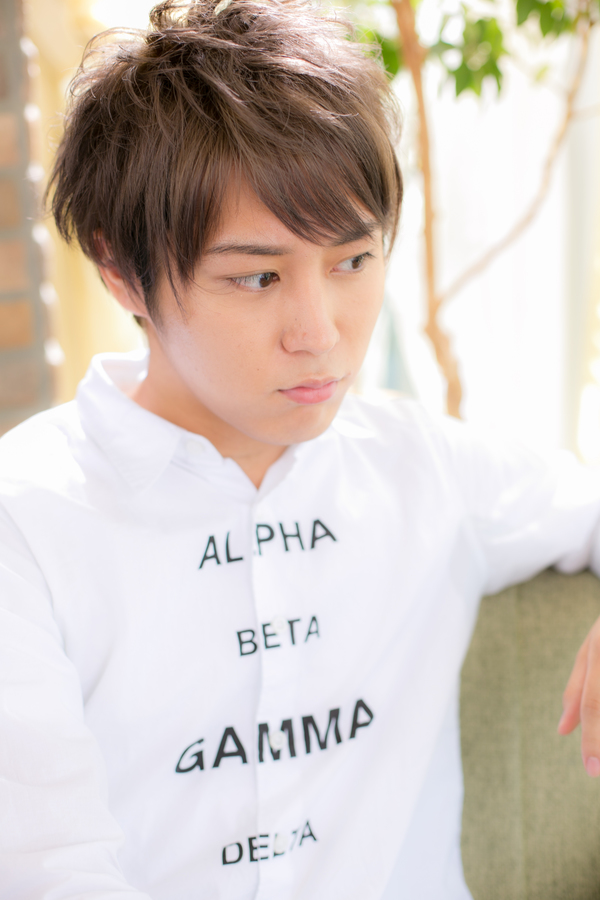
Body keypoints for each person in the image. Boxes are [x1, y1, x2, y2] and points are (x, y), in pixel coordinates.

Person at [1, 0, 599, 896]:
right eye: (258, 276)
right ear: (120, 267)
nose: (320, 334)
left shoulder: (421, 465)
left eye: (353, 261)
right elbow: (52, 872)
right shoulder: (27, 523)